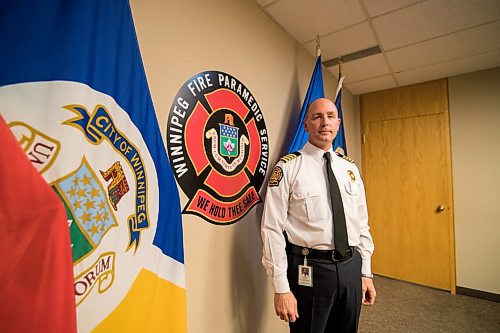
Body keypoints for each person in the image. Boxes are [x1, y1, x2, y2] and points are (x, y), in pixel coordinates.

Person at [261, 98, 376, 332]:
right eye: (317, 117)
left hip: (351, 267)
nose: (325, 122)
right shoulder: (288, 168)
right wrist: (281, 287)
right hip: (309, 270)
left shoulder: (350, 169)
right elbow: (272, 229)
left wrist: (365, 272)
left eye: (330, 116)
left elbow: (361, 225)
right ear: (306, 125)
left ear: (338, 123)